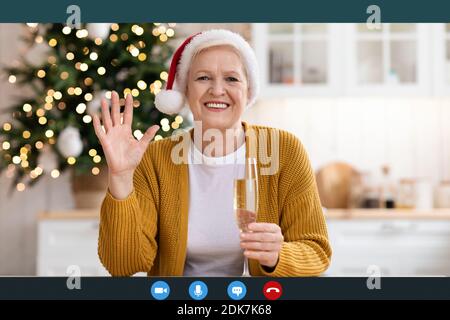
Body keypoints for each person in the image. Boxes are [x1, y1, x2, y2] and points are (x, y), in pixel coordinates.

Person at [93, 29, 332, 277]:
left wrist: (278, 256)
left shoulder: (284, 151)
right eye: (203, 78)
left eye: (232, 79)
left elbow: (316, 252)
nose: (217, 90)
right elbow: (123, 265)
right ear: (185, 90)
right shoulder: (155, 159)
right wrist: (120, 178)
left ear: (248, 91)